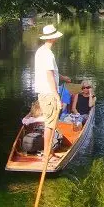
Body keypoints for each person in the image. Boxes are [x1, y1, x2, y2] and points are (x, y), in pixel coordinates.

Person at [34, 24, 71, 156]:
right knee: (50, 124)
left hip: (43, 92)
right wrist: (56, 96)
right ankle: (47, 153)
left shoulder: (40, 51)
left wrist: (62, 77)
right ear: (53, 38)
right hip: (49, 93)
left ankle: (48, 151)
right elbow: (49, 76)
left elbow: (51, 73)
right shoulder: (48, 54)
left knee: (49, 122)